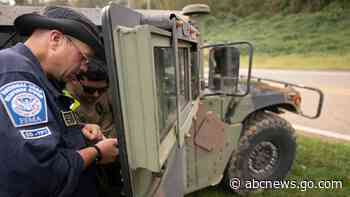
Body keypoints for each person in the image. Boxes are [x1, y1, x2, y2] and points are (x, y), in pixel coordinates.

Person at [0, 6, 118, 197]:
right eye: (83, 57)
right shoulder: (17, 75)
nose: (82, 68)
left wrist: (78, 129)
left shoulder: (41, 76)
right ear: (55, 40)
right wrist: (96, 153)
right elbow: (41, 173)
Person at [65, 58, 117, 138]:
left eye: (101, 90)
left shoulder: (109, 93)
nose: (96, 95)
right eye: (90, 90)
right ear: (74, 80)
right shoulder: (63, 101)